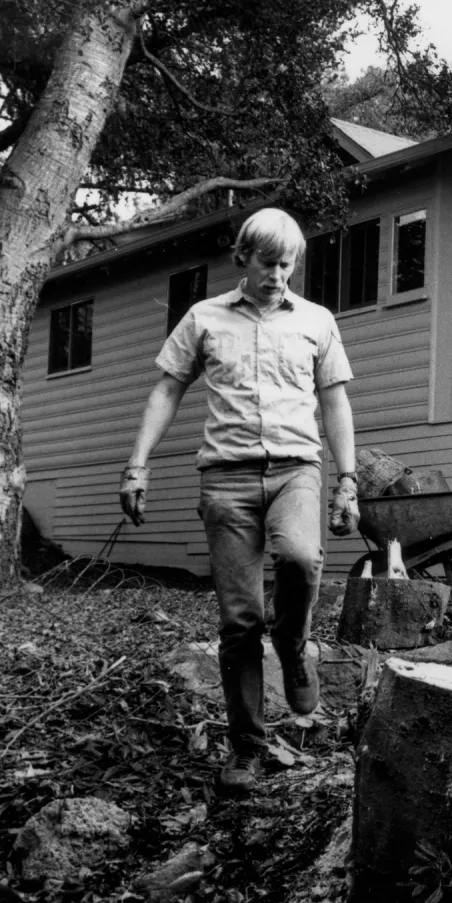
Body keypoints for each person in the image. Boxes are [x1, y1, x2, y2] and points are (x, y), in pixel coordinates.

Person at [118, 207, 360, 796]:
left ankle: (295, 644)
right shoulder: (204, 317)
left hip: (296, 470)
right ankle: (247, 747)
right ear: (243, 259)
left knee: (302, 559)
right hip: (225, 481)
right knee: (238, 622)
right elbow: (167, 389)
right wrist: (137, 464)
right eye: (269, 262)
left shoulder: (317, 321)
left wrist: (347, 479)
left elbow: (335, 403)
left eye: (288, 263)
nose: (279, 274)